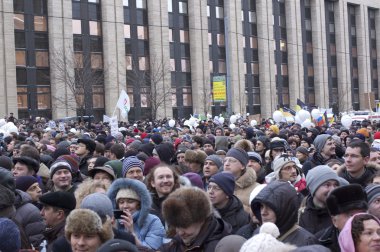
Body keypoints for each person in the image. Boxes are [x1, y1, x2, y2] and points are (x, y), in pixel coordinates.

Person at [160, 187, 231, 251]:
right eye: (177, 226)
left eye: (184, 226)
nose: (180, 232)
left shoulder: (217, 247)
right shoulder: (186, 238)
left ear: (201, 220)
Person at [251, 180, 318, 246]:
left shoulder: (306, 242)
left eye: (270, 207)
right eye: (261, 206)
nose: (263, 212)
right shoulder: (259, 233)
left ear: (285, 208)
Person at [107, 178, 165, 250]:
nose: (125, 206)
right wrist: (112, 231)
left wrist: (131, 233)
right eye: (121, 202)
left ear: (139, 204)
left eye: (130, 201)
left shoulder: (153, 221)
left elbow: (151, 249)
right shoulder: (113, 221)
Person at [317, 184, 369, 251]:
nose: (357, 218)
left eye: (362, 213)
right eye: (351, 215)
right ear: (334, 221)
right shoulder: (320, 242)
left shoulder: (376, 237)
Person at [299, 165, 342, 234]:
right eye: (327, 185)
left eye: (335, 185)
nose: (333, 189)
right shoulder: (301, 216)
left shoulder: (342, 214)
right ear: (313, 188)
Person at [224, 147, 258, 212]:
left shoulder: (256, 188)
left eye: (232, 161)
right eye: (225, 160)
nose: (226, 164)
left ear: (242, 166)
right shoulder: (218, 184)